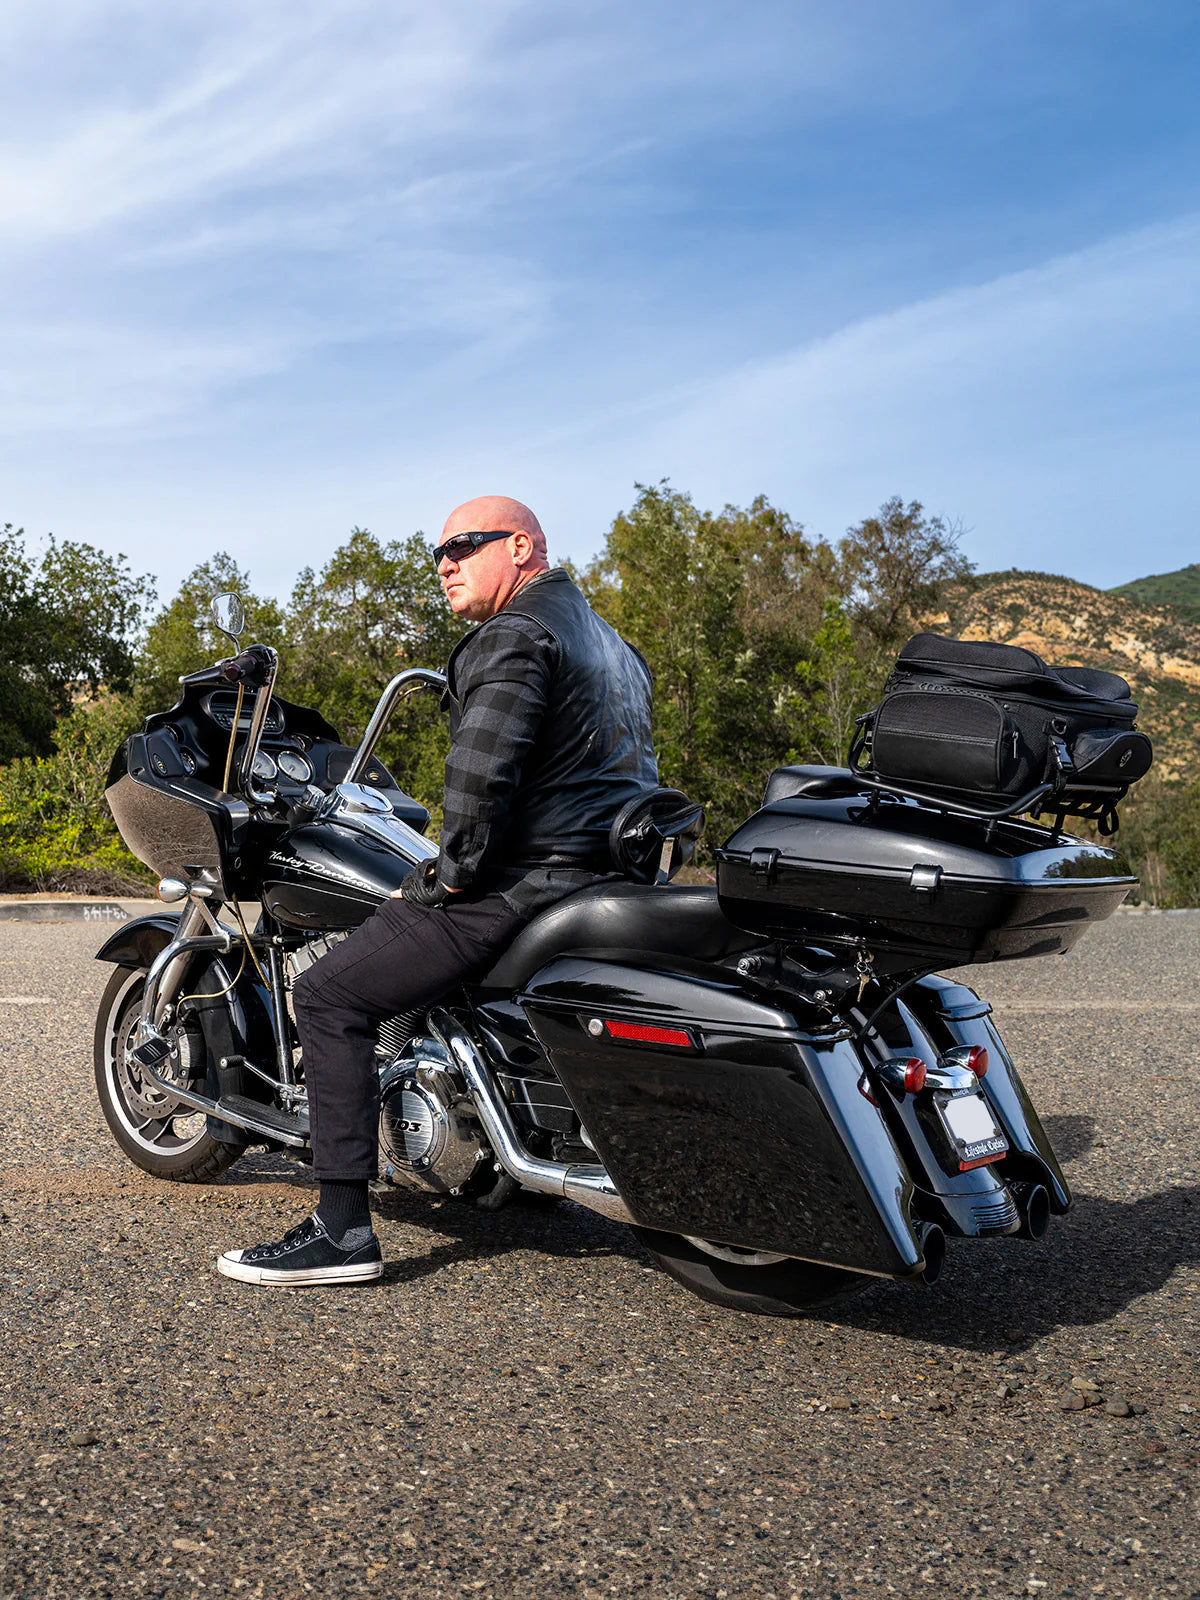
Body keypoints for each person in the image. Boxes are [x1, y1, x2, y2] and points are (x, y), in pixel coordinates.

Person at [217, 495, 658, 1286]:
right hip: (601, 875)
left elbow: (482, 774)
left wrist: (447, 875)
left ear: (521, 547)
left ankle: (342, 1230)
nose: (445, 564)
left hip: (522, 885)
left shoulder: (516, 632)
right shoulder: (614, 645)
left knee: (327, 994)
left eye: (464, 546)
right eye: (438, 554)